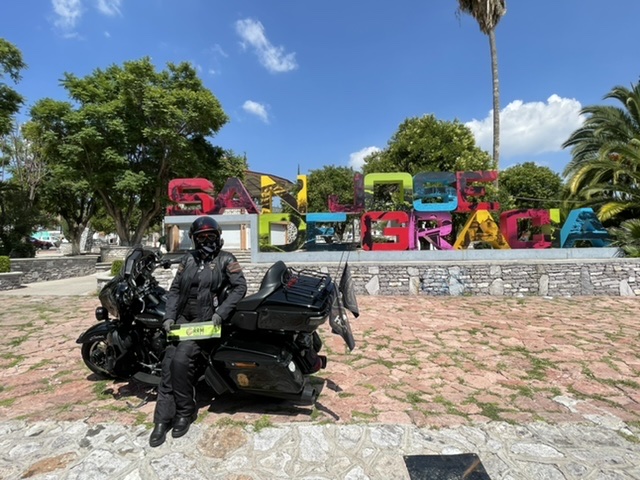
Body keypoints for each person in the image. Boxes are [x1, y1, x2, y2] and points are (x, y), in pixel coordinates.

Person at [149, 216, 247, 447]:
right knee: (168, 363)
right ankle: (161, 420)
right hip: (182, 318)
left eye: (210, 236)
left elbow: (239, 287)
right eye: (201, 237)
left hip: (205, 321)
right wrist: (169, 316)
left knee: (181, 361)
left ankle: (185, 412)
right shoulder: (188, 259)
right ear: (194, 240)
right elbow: (174, 290)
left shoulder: (226, 259)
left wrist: (220, 313)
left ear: (218, 237)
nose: (206, 240)